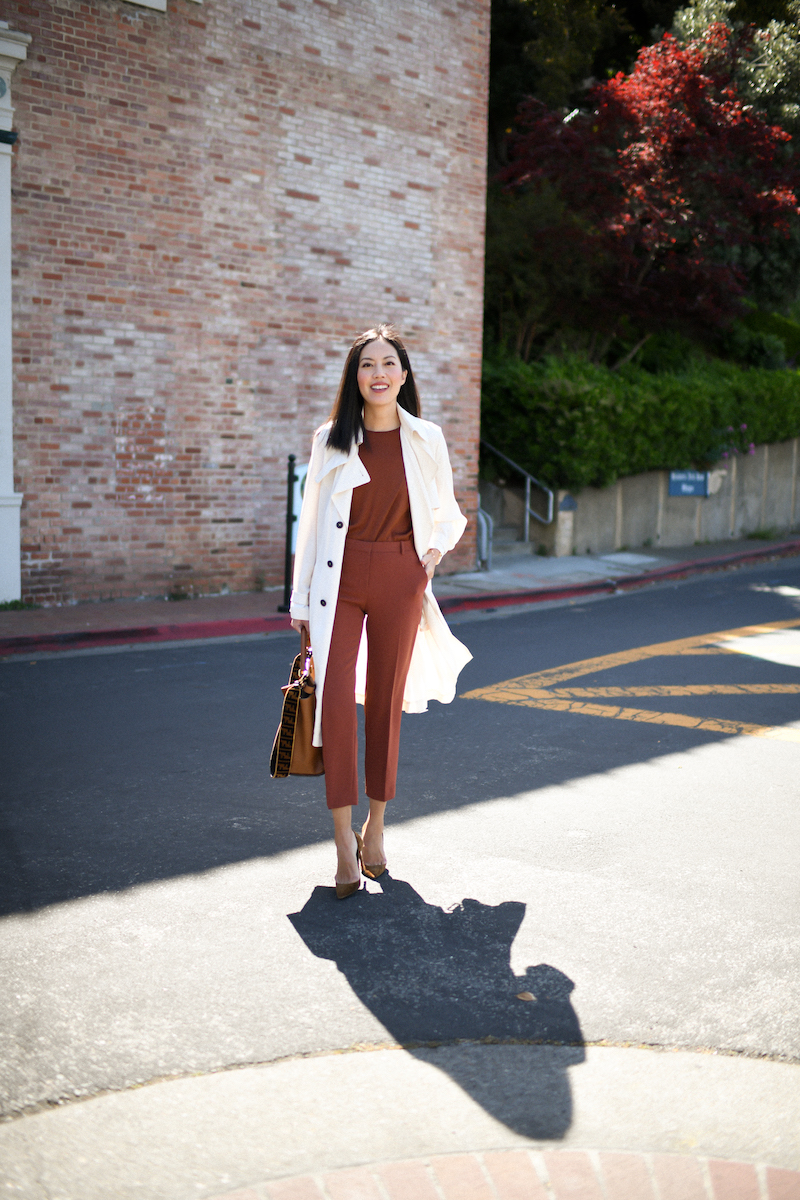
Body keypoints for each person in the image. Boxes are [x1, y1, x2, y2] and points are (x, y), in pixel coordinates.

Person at [290, 324, 472, 898]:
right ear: (355, 376)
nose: (378, 374)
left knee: (386, 704)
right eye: (367, 365)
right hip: (336, 579)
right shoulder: (331, 439)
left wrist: (433, 552)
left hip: (401, 575)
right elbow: (311, 523)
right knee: (335, 703)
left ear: (404, 373)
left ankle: (377, 829)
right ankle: (342, 842)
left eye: (388, 363)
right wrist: (300, 601)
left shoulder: (427, 438)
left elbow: (447, 509)